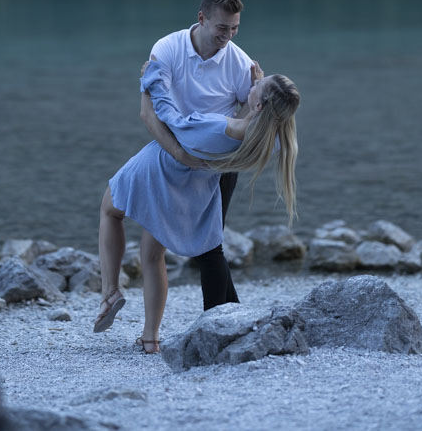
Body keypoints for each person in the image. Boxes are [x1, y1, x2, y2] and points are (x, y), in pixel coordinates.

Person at [95, 58, 299, 353]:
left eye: (257, 86)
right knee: (152, 255)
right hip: (188, 188)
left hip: (157, 170)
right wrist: (260, 88)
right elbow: (247, 124)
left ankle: (110, 290)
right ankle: (150, 339)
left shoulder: (214, 128)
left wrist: (152, 80)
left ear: (258, 106)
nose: (252, 84)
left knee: (109, 212)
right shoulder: (271, 141)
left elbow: (170, 118)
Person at [140, 0, 258, 312]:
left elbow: (253, 114)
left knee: (208, 245)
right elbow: (150, 113)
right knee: (205, 246)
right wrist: (179, 154)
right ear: (202, 18)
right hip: (172, 158)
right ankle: (230, 318)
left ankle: (222, 321)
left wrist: (239, 120)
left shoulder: (239, 63)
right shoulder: (167, 48)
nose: (228, 36)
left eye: (235, 28)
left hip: (218, 165)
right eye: (222, 27)